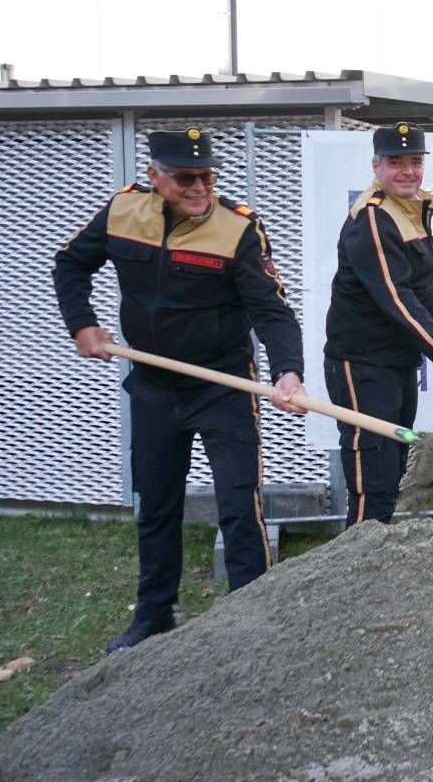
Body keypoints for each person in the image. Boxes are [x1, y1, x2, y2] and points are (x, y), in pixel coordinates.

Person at [52, 128, 307, 654]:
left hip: (221, 389)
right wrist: (83, 324)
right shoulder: (122, 211)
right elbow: (70, 265)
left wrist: (287, 372)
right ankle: (154, 614)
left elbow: (273, 311)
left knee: (239, 505)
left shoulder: (238, 229)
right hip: (152, 387)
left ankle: (249, 619)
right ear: (154, 178)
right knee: (157, 504)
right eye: (186, 177)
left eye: (207, 176)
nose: (199, 188)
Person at [324, 122, 433, 527]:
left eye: (414, 162)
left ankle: (382, 574)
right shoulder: (372, 218)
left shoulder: (410, 209)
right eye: (396, 163)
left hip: (396, 362)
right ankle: (356, 576)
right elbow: (396, 299)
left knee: (390, 474)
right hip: (361, 365)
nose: (407, 171)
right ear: (376, 166)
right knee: (370, 481)